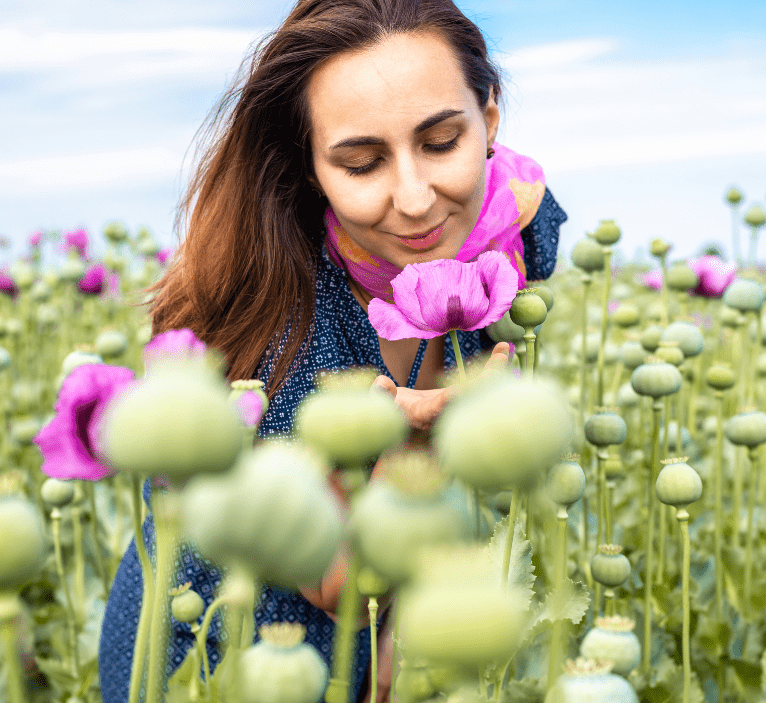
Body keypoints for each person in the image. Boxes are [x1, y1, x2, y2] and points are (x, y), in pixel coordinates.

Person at [98, 1, 567, 701]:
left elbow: (534, 251)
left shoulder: (518, 222)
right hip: (228, 662)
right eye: (362, 162)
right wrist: (424, 439)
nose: (414, 199)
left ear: (488, 120)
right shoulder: (284, 345)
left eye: (441, 143)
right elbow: (339, 585)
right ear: (312, 166)